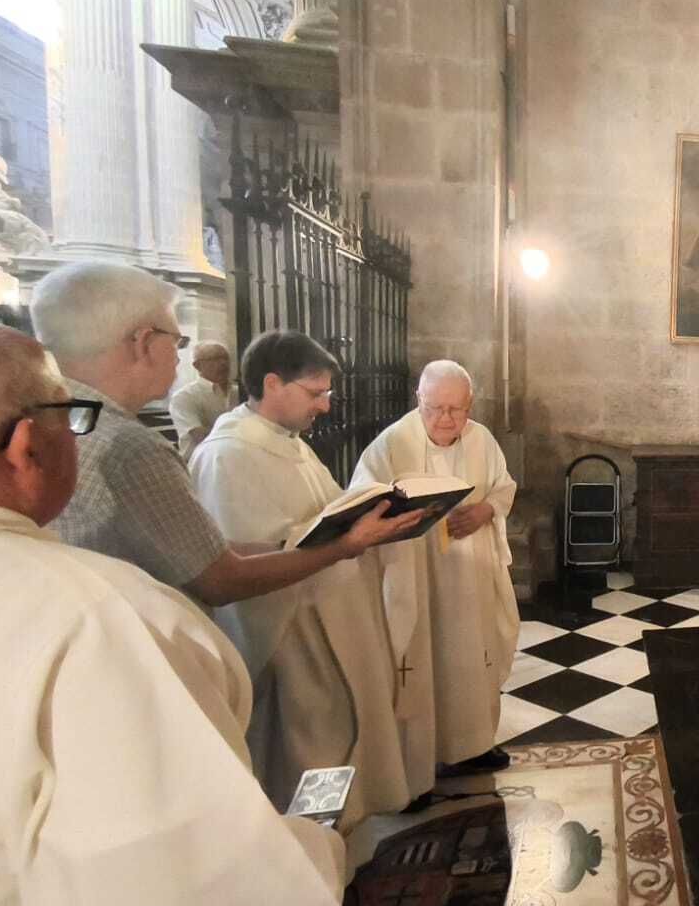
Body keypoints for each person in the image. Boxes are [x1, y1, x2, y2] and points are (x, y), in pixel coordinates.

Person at [0, 317, 344, 906]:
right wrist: (315, 849)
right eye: (68, 419)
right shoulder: (97, 617)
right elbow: (193, 889)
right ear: (24, 447)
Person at [29, 261, 421, 612]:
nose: (179, 355)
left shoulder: (47, 420)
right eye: (177, 341)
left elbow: (199, 547)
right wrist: (344, 546)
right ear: (144, 342)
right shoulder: (129, 446)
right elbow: (220, 579)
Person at [191, 331, 415, 826]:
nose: (326, 406)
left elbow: (329, 513)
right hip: (290, 642)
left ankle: (336, 851)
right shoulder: (227, 455)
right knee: (304, 756)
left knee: (335, 746)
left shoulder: (290, 445)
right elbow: (231, 566)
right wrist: (342, 541)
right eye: (316, 393)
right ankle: (305, 861)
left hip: (330, 626)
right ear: (273, 383)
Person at [353, 360, 520, 794]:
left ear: (470, 405)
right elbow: (360, 503)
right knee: (418, 664)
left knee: (471, 657)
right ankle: (414, 770)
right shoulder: (390, 445)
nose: (446, 419)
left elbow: (504, 487)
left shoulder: (482, 439)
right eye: (435, 408)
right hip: (415, 575)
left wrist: (486, 509)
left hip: (471, 579)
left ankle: (474, 745)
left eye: (457, 409)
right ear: (418, 401)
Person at [169, 340, 233, 463]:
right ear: (197, 365)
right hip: (199, 466)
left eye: (225, 358)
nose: (223, 363)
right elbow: (200, 436)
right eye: (215, 359)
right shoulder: (184, 397)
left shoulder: (240, 392)